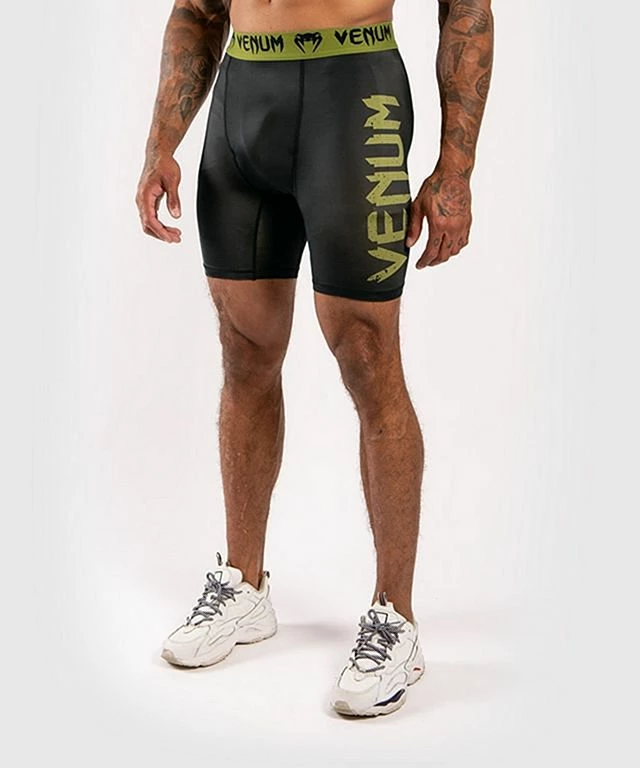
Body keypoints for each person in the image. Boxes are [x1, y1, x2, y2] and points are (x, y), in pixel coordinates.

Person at [136, 0, 493, 718]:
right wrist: (160, 143)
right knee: (244, 352)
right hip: (242, 105)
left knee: (366, 356)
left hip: (353, 100)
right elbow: (198, 11)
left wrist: (455, 167)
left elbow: (467, 8)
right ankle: (245, 586)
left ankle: (395, 617)